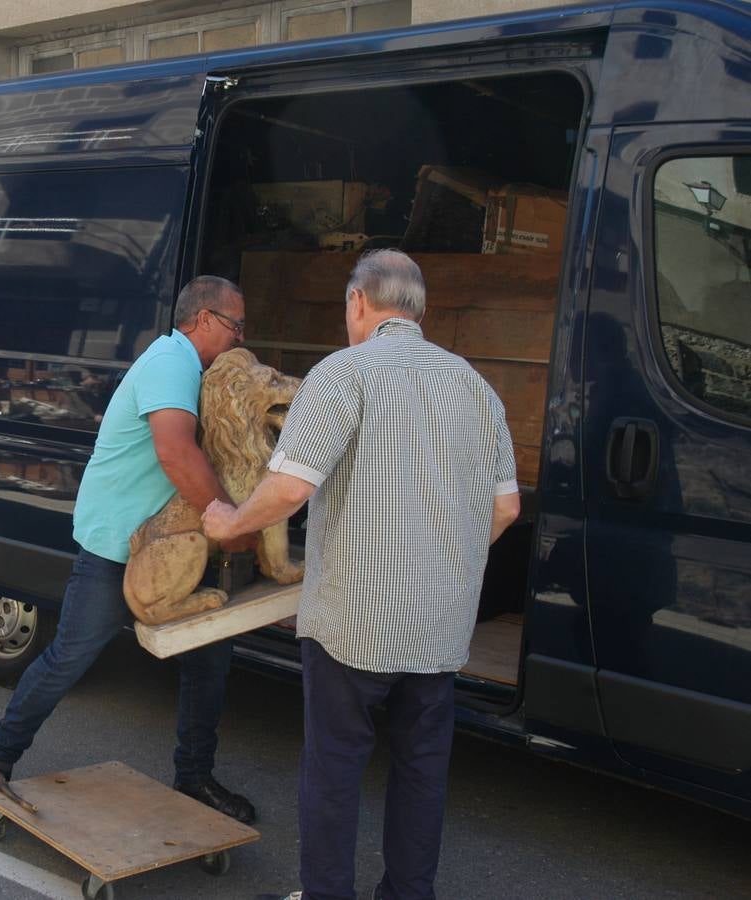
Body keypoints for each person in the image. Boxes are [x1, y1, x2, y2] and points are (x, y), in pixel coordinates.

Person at [201, 250, 521, 900]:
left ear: (356, 304)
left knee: (335, 769)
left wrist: (229, 523)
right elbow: (506, 507)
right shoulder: (476, 387)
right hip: (437, 629)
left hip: (353, 623)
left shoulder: (342, 374)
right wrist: (444, 560)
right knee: (420, 773)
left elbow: (288, 488)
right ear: (419, 312)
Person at [0, 275, 260, 826]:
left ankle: (194, 777)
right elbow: (175, 452)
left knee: (209, 661)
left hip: (172, 547)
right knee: (68, 660)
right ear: (202, 319)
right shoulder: (172, 360)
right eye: (234, 325)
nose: (240, 338)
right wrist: (230, 520)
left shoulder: (194, 369)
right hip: (119, 546)